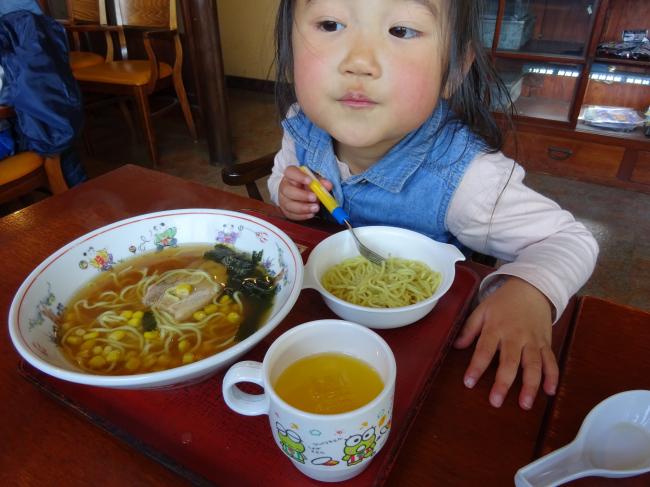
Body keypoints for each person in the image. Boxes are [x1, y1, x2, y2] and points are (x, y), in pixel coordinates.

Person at [267, 0, 599, 410]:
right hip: (315, 339)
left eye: (401, 31)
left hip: (421, 361)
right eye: (330, 23)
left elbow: (569, 239)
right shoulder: (302, 125)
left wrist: (530, 291)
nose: (359, 62)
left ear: (454, 70)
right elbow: (280, 175)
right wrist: (286, 193)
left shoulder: (467, 178)